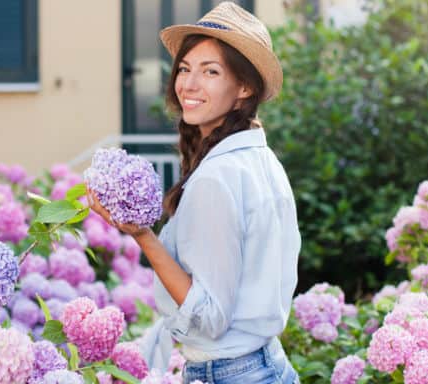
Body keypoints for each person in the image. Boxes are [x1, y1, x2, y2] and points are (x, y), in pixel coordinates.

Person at [87, 2, 301, 383]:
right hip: (269, 365)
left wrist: (141, 234)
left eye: (211, 71)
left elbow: (208, 316)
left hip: (231, 373)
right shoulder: (263, 161)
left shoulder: (215, 179)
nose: (188, 84)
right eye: (185, 69)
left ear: (245, 86)